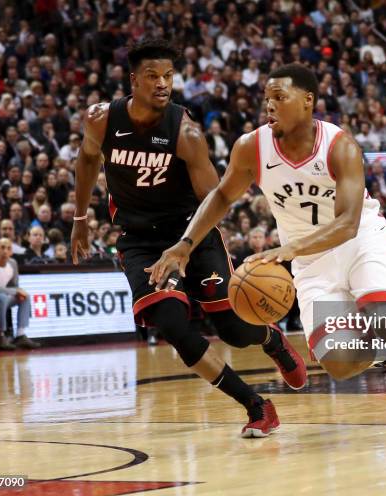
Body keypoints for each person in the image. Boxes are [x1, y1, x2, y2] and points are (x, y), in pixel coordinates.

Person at [152, 63, 386, 449]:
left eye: (279, 97)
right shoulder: (251, 147)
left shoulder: (339, 145)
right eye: (267, 99)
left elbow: (347, 222)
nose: (269, 106)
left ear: (307, 101)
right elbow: (222, 196)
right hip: (312, 262)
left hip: (360, 242)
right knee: (338, 363)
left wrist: (288, 248)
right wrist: (185, 244)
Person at [70, 38, 307, 438]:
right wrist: (80, 217)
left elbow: (217, 200)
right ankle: (256, 405)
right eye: (152, 76)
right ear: (133, 80)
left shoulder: (187, 134)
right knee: (174, 329)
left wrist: (185, 248)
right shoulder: (101, 120)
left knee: (234, 329)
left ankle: (271, 338)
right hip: (141, 241)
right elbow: (89, 158)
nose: (163, 83)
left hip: (192, 236)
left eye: (169, 75)